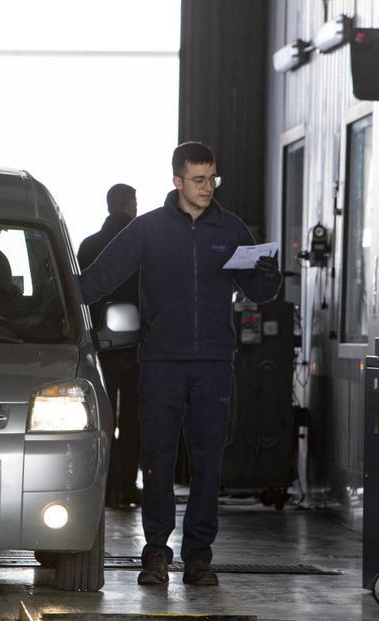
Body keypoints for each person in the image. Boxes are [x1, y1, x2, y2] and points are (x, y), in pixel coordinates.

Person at [78, 142, 280, 587]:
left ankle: (199, 558)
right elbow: (98, 278)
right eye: (198, 179)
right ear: (177, 181)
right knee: (157, 460)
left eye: (212, 178)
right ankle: (155, 554)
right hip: (162, 363)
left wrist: (268, 271)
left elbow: (260, 292)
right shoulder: (148, 230)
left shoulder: (230, 229)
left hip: (212, 362)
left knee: (209, 461)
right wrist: (50, 297)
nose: (208, 187)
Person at [78, 183, 141, 509]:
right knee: (132, 418)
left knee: (101, 417)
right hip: (137, 346)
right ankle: (126, 486)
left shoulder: (89, 245)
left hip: (99, 345)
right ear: (130, 204)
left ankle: (100, 487)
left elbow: (80, 295)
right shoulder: (144, 242)